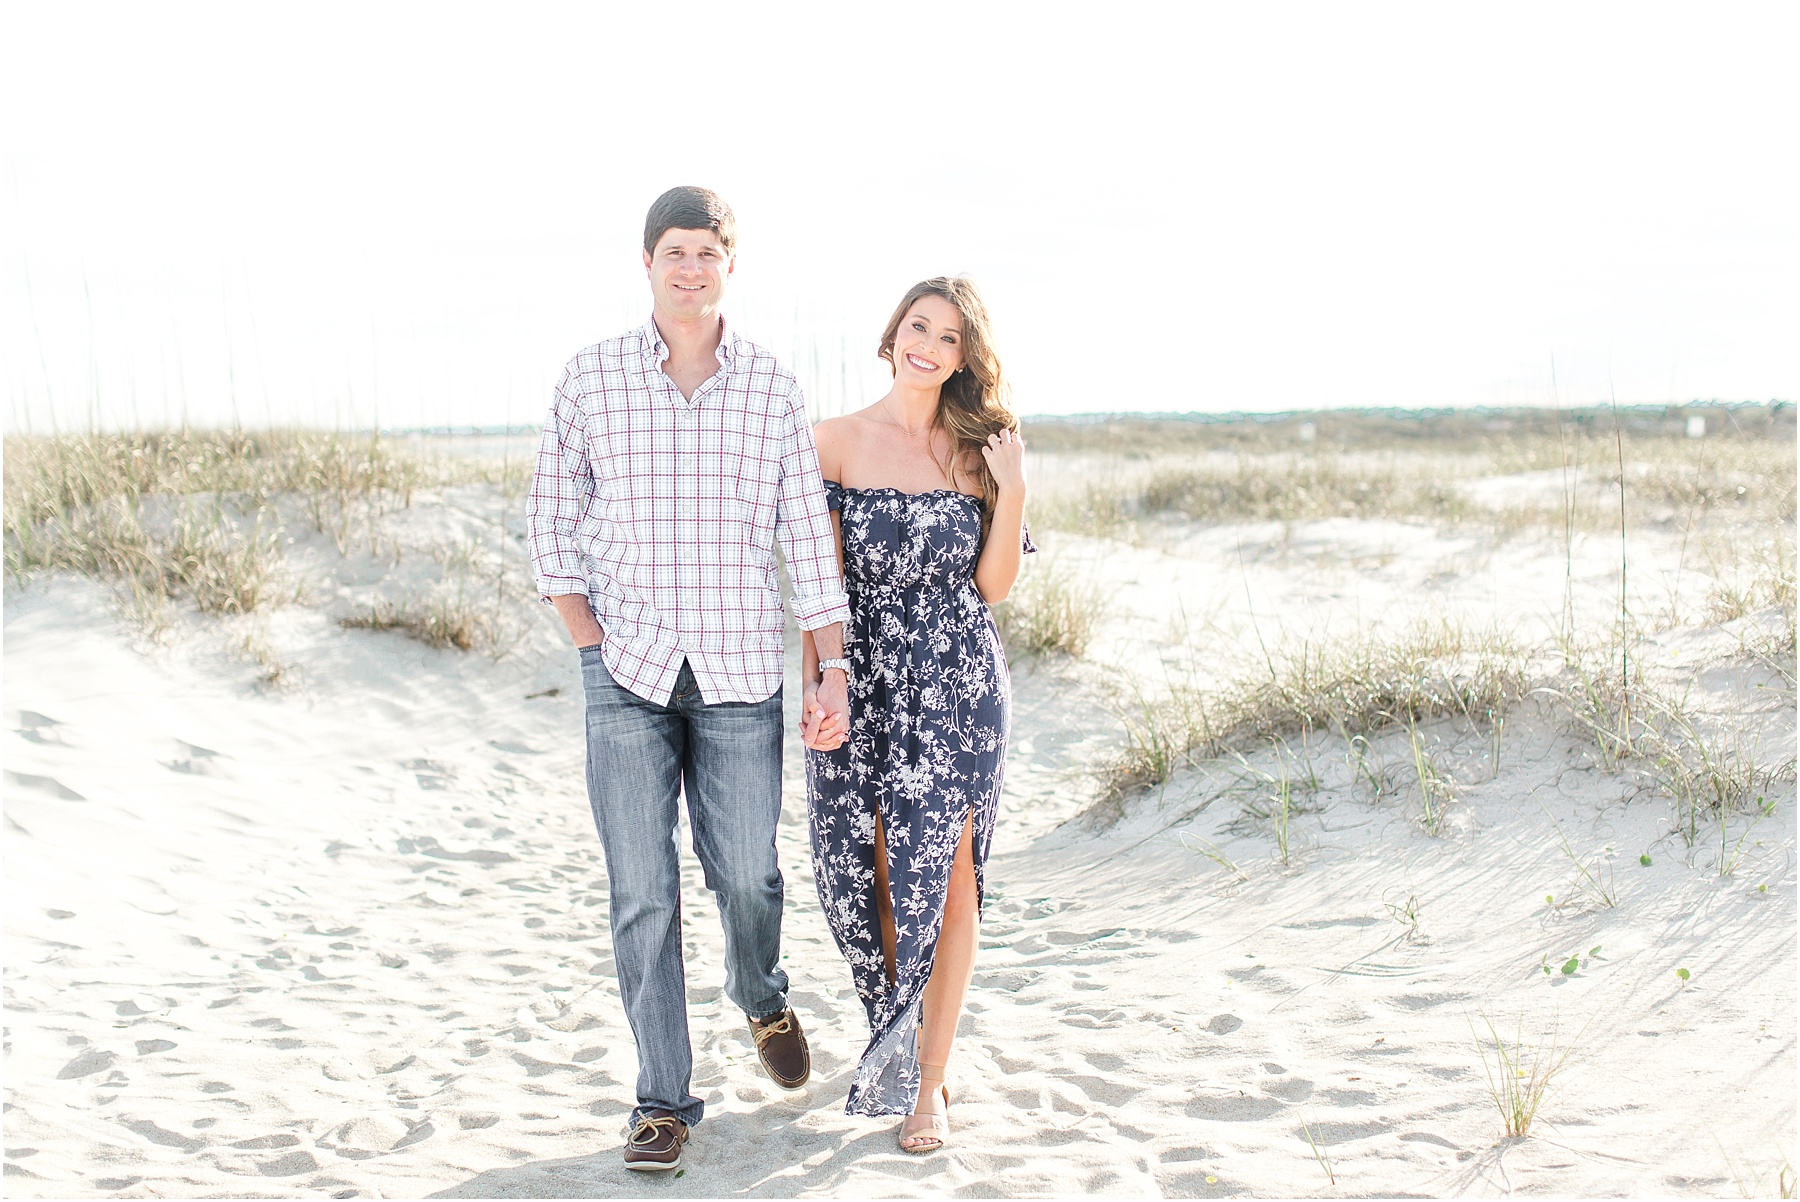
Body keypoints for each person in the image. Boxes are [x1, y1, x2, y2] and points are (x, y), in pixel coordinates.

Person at [526, 186, 852, 1173]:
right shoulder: (591, 379)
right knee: (643, 892)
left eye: (707, 251)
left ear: (728, 266)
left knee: (747, 872)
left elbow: (807, 535)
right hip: (622, 671)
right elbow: (550, 517)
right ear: (648, 262)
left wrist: (828, 662)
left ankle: (760, 990)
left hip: (740, 673)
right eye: (674, 250)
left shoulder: (771, 388)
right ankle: (662, 1100)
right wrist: (585, 633)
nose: (690, 267)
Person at [801, 276, 1030, 1152]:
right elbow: (820, 590)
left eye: (948, 337)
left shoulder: (982, 450)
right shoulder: (832, 442)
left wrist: (1013, 490)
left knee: (955, 878)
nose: (927, 346)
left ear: (964, 356)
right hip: (869, 682)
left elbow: (993, 587)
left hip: (960, 682)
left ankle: (930, 1084)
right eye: (917, 326)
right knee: (885, 879)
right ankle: (898, 1042)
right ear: (893, 333)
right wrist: (826, 682)